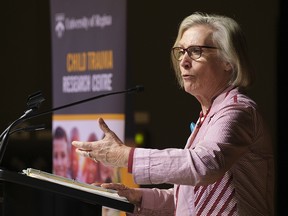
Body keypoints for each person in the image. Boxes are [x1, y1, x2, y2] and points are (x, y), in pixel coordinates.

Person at [72, 12, 275, 215]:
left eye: (196, 51)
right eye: (181, 51)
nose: (184, 62)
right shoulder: (207, 117)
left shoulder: (238, 111)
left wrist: (126, 156)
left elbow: (205, 165)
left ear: (228, 61)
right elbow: (190, 201)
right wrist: (138, 197)